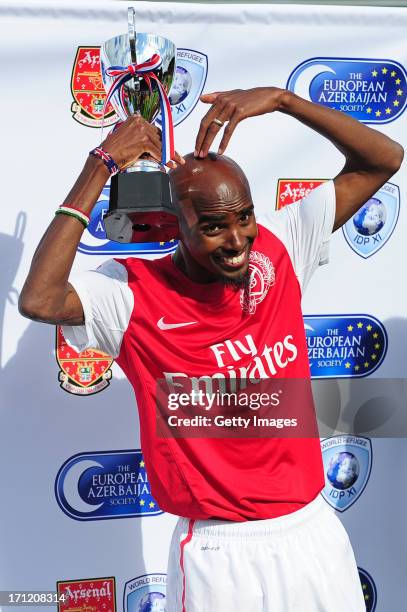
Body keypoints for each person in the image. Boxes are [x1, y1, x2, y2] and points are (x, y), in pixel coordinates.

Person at [19, 86, 403, 611]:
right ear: (175, 225)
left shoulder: (280, 245)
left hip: (311, 533)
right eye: (213, 226)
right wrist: (101, 165)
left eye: (243, 216)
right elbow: (40, 298)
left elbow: (383, 159)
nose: (238, 239)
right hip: (222, 557)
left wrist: (285, 102)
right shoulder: (131, 295)